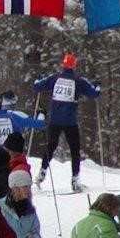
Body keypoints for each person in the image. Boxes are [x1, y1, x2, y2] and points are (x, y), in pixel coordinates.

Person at [32, 53, 101, 191]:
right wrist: (97, 85)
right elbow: (94, 93)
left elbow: (37, 87)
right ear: (74, 65)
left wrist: (37, 80)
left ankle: (42, 172)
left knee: (50, 147)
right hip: (70, 121)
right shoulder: (78, 80)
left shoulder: (54, 78)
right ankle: (75, 179)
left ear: (63, 65)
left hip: (55, 120)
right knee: (75, 150)